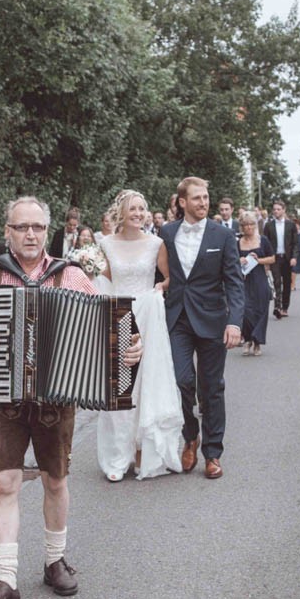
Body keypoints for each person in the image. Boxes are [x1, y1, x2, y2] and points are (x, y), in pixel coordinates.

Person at [0, 195, 141, 599]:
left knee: (55, 479)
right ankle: (5, 580)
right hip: (7, 397)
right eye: (22, 227)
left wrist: (128, 348)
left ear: (46, 231)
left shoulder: (69, 275)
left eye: (37, 227)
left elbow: (112, 326)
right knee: (5, 482)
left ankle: (54, 561)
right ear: (8, 232)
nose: (30, 234)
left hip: (56, 399)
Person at [160, 176, 245, 479]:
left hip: (212, 320)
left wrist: (234, 321)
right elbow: (158, 274)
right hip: (178, 320)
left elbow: (234, 282)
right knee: (181, 381)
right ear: (182, 202)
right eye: (197, 198)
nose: (204, 202)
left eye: (206, 197)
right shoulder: (166, 233)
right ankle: (190, 436)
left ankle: (213, 453)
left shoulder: (222, 236)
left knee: (211, 389)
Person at [97, 190, 183, 482]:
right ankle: (119, 456)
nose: (138, 213)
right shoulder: (105, 244)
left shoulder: (156, 244)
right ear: (122, 212)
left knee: (144, 384)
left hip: (146, 317)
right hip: (115, 315)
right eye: (132, 208)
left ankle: (142, 450)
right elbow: (102, 279)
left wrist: (160, 289)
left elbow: (170, 277)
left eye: (142, 208)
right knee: (118, 386)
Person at [237, 212, 275, 356]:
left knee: (260, 309)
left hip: (259, 279)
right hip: (244, 280)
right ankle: (247, 339)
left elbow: (272, 258)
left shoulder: (263, 240)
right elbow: (230, 261)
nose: (249, 227)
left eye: (251, 224)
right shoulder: (238, 242)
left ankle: (257, 342)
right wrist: (239, 260)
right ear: (241, 227)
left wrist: (258, 260)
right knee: (246, 310)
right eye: (245, 225)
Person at [263, 200, 299, 318]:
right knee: (277, 282)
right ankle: (277, 307)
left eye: (278, 209)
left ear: (284, 210)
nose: (276, 211)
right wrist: (266, 260)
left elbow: (295, 243)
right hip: (275, 258)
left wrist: (294, 257)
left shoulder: (290, 225)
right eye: (274, 209)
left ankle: (285, 307)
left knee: (287, 283)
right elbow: (265, 243)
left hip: (287, 258)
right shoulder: (269, 225)